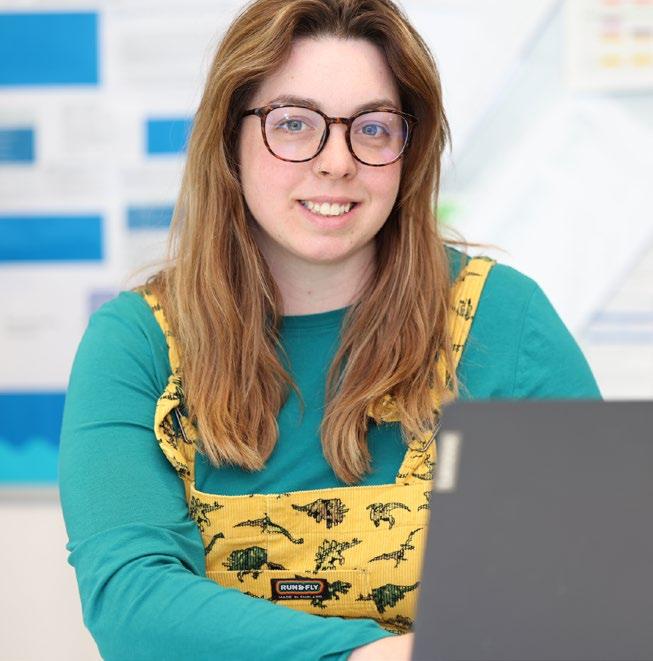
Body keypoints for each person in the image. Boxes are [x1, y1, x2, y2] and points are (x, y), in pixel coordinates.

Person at [59, 1, 601, 659]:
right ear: (228, 139)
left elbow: (589, 593)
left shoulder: (504, 320)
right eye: (294, 123)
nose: (337, 162)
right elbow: (131, 602)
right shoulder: (136, 343)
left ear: (408, 150)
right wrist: (379, 655)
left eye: (372, 128)